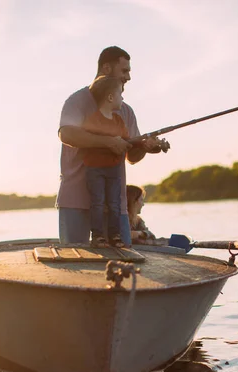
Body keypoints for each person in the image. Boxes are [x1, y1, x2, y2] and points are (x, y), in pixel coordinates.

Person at [57, 46, 164, 245]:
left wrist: (145, 147)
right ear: (106, 68)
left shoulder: (126, 111)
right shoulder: (76, 101)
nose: (129, 77)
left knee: (123, 267)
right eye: (125, 71)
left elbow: (132, 157)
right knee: (75, 266)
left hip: (115, 206)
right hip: (75, 201)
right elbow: (66, 134)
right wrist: (107, 142)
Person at [83, 76, 128, 248]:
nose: (122, 98)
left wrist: (148, 144)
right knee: (98, 202)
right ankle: (98, 236)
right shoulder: (92, 120)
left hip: (113, 169)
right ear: (110, 97)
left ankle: (115, 236)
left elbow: (127, 141)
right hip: (94, 169)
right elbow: (88, 139)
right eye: (120, 94)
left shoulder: (119, 121)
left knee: (114, 203)